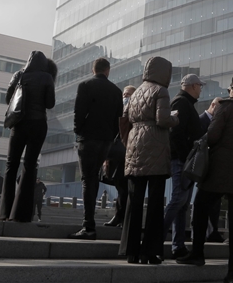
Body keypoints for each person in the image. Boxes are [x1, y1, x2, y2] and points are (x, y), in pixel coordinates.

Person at [177, 74, 233, 283]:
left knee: (200, 206)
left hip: (221, 168)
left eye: (230, 88)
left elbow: (213, 135)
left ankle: (197, 253)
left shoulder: (226, 107)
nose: (228, 91)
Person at [120, 57, 177, 264]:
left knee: (133, 201)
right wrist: (175, 118)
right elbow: (163, 120)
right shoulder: (161, 91)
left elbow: (125, 117)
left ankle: (130, 250)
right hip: (155, 147)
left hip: (135, 145)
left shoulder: (135, 93)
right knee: (154, 202)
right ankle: (150, 251)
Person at [0, 51, 56, 222]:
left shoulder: (19, 75)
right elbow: (50, 103)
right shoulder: (46, 77)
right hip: (38, 124)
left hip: (19, 124)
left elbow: (9, 99)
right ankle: (21, 214)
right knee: (29, 167)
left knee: (11, 165)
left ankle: (4, 213)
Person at [70, 58, 124, 240]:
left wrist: (79, 131)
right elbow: (119, 119)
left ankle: (88, 225)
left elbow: (78, 112)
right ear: (107, 71)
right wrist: (111, 137)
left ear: (94, 70)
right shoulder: (117, 91)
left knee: (87, 179)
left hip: (88, 138)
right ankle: (89, 225)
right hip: (106, 140)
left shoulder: (85, 85)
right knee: (94, 178)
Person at [163, 74, 207, 259]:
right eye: (200, 86)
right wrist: (185, 156)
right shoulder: (180, 102)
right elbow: (175, 133)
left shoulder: (186, 103)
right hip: (181, 160)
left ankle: (178, 246)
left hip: (185, 159)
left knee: (183, 204)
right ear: (192, 86)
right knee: (178, 200)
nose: (201, 89)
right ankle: (154, 238)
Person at [103, 85, 136, 228]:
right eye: (124, 94)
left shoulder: (135, 112)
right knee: (120, 186)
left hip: (128, 153)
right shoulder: (117, 111)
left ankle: (121, 217)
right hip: (117, 154)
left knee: (124, 187)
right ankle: (121, 217)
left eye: (128, 95)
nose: (125, 97)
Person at [199, 97, 225, 243]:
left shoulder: (219, 122)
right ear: (213, 105)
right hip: (203, 166)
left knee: (215, 202)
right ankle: (207, 231)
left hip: (215, 167)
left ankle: (212, 230)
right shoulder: (201, 120)